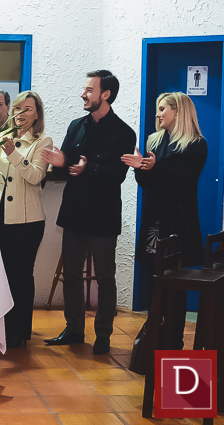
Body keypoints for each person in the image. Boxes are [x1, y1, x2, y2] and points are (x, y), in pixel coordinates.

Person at [42, 70, 136, 355]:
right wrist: (60, 162)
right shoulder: (76, 126)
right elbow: (66, 166)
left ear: (105, 94)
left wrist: (88, 168)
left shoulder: (124, 132)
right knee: (71, 274)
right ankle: (73, 329)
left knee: (105, 277)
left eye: (89, 90)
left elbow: (118, 175)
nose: (83, 94)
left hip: (104, 215)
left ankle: (103, 335)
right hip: (75, 212)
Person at [122, 92, 206, 350]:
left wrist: (154, 167)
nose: (157, 114)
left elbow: (183, 181)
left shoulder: (196, 144)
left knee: (175, 287)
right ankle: (154, 341)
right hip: (154, 223)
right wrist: (140, 168)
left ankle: (173, 342)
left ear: (178, 112)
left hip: (178, 226)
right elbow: (147, 183)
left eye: (162, 109)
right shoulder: (155, 140)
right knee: (154, 281)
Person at [0, 91, 52, 348]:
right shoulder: (4, 136)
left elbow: (35, 177)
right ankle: (1, 329)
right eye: (17, 108)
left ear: (37, 114)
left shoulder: (43, 141)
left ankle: (19, 332)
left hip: (27, 221)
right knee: (1, 275)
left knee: (21, 276)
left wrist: (13, 153)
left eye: (28, 109)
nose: (21, 114)